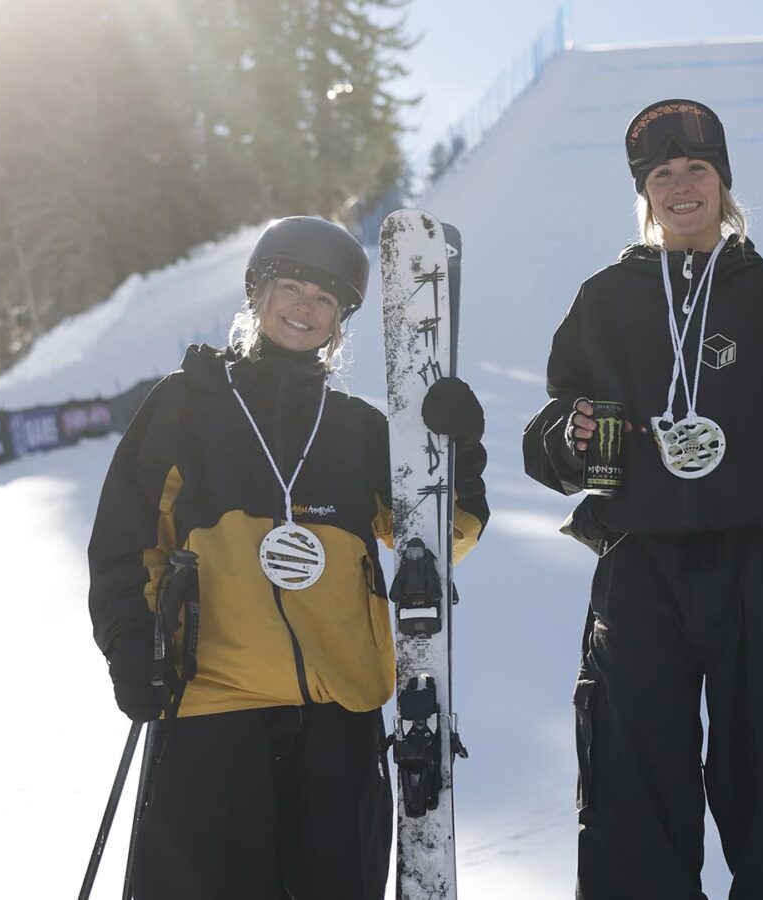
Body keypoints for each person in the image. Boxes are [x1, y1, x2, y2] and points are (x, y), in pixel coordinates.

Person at [522, 98, 763, 899]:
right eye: (662, 174)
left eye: (697, 168)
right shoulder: (605, 299)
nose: (681, 186)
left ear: (723, 181)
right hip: (639, 566)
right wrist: (569, 432)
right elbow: (551, 428)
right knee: (630, 796)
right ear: (644, 193)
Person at [87, 216, 489, 899]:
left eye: (325, 299)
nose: (305, 308)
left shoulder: (358, 429)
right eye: (292, 288)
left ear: (340, 321)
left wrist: (460, 455)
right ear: (259, 293)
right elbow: (126, 542)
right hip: (215, 710)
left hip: (338, 719)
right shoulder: (186, 405)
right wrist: (130, 643)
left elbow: (442, 534)